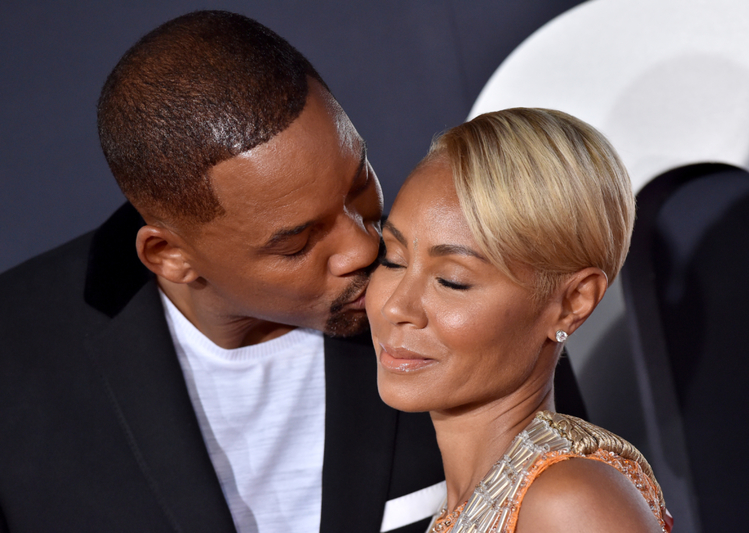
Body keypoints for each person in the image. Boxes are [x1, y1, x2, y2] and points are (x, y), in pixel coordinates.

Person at [0, 11, 448, 533]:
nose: (361, 246)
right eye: (299, 242)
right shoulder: (15, 360)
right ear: (170, 256)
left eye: (358, 187)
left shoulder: (473, 289)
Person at [366, 108, 673, 532]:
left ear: (572, 303)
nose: (396, 307)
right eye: (393, 260)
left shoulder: (569, 503)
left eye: (452, 281)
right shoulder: (480, 500)